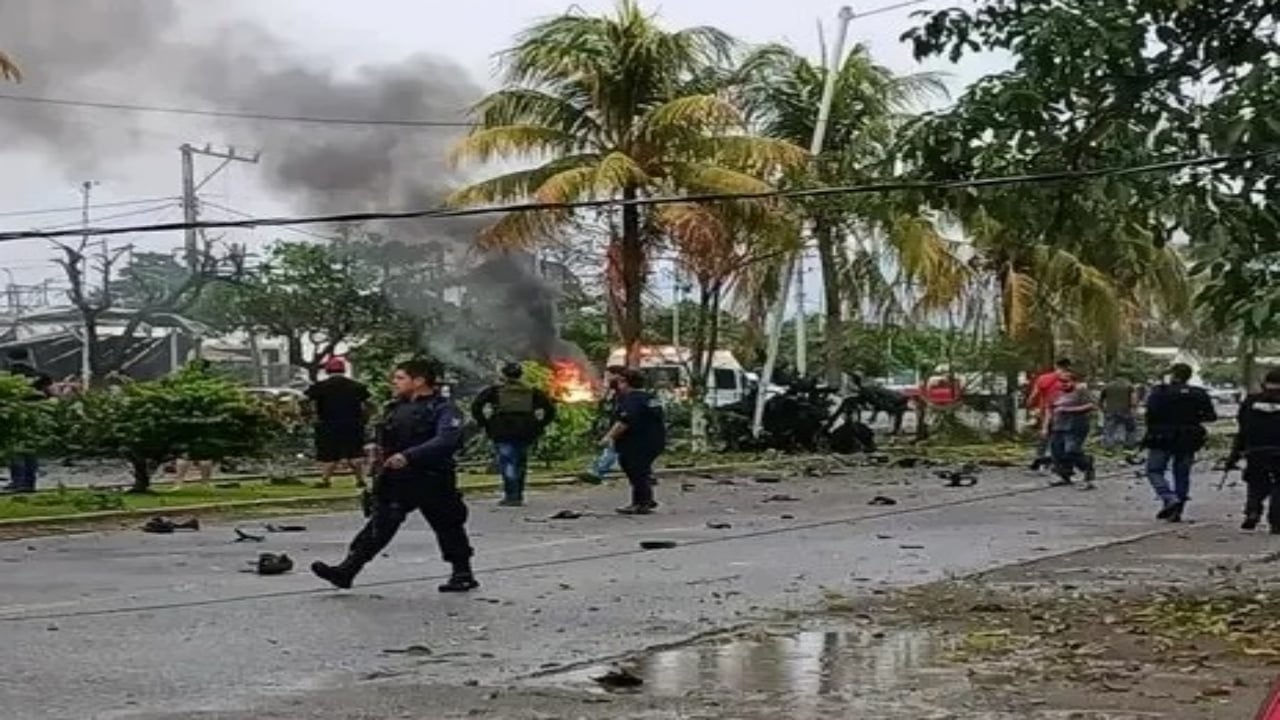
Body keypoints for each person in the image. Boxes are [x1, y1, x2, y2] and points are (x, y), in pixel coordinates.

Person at [311, 359, 477, 592]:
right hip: (397, 479)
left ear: (419, 381)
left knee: (448, 524)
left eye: (400, 378)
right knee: (380, 524)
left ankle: (462, 573)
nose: (394, 383)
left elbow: (447, 440)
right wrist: (373, 452)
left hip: (432, 477)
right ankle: (347, 570)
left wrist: (409, 456)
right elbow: (382, 436)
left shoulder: (443, 408)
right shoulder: (393, 408)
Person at [470, 362, 556, 507]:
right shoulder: (532, 391)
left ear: (504, 375)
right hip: (526, 429)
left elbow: (476, 406)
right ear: (520, 374)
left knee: (508, 462)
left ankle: (511, 495)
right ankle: (518, 494)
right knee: (521, 462)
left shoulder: (494, 391)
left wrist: (485, 423)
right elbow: (550, 410)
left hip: (502, 428)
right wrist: (539, 424)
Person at [1143, 362, 1217, 522]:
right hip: (1188, 437)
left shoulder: (1159, 392)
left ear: (1173, 375)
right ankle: (1178, 510)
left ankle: (1168, 497)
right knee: (1182, 473)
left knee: (1154, 470)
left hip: (1161, 436)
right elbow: (1211, 416)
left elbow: (1150, 413)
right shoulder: (1198, 393)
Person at [601, 369, 666, 515]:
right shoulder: (649, 397)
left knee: (636, 470)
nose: (616, 385)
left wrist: (609, 437)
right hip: (654, 441)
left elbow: (624, 421)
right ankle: (646, 499)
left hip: (638, 443)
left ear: (625, 382)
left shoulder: (632, 399)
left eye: (618, 382)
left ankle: (641, 503)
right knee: (641, 470)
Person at [305, 357, 372, 489]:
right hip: (353, 425)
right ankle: (360, 479)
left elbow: (306, 401)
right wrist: (364, 419)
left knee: (328, 454)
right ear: (344, 370)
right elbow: (368, 405)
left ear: (327, 371)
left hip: (328, 424)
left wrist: (311, 417)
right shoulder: (357, 386)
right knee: (355, 453)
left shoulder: (319, 387)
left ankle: (325, 480)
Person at [1227, 368, 1280, 533]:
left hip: (1255, 449)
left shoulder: (1250, 401)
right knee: (1279, 484)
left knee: (1255, 481)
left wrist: (1235, 454)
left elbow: (1243, 429)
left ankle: (1252, 511)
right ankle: (1276, 521)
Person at [2, 350, 52, 493]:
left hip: (13, 417)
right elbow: (51, 394)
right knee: (31, 450)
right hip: (37, 416)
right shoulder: (41, 376)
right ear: (28, 358)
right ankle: (30, 482)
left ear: (9, 359)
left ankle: (18, 482)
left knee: (15, 450)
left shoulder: (8, 375)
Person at [1042, 371, 1097, 489]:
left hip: (1076, 425)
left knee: (1071, 450)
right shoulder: (1054, 393)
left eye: (1066, 382)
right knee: (1058, 452)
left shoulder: (1080, 391)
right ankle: (1064, 475)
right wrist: (1045, 426)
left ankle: (1087, 468)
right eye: (1060, 382)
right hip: (1058, 426)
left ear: (1073, 381)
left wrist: (1069, 409)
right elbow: (1049, 410)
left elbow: (1091, 405)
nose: (1063, 384)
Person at [579, 365, 626, 485]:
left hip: (623, 423)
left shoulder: (623, 391)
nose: (607, 378)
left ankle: (597, 472)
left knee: (612, 449)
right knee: (616, 449)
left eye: (609, 375)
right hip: (616, 423)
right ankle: (647, 474)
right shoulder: (613, 391)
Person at [1026, 359, 1073, 470]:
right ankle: (1056, 460)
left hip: (1045, 410)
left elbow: (1034, 395)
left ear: (1056, 366)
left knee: (1044, 435)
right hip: (1064, 412)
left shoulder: (1043, 378)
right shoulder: (1069, 379)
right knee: (1060, 436)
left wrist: (1030, 406)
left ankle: (1040, 458)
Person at [1099, 374, 1138, 450]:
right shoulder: (1129, 385)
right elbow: (1133, 399)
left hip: (1111, 410)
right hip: (1125, 410)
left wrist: (1102, 408)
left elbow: (1101, 399)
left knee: (1109, 429)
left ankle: (1108, 446)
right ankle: (1129, 445)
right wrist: (1133, 408)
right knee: (1130, 428)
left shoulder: (1107, 386)